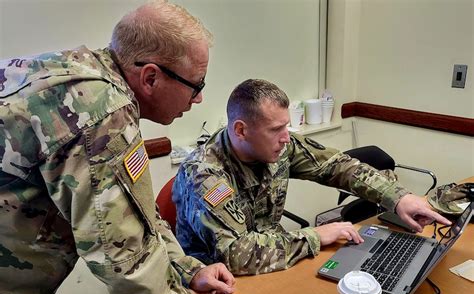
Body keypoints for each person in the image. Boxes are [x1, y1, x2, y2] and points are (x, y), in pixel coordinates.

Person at [0, 1, 236, 294]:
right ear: (151, 76)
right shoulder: (102, 113)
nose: (199, 97)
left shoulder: (74, 72)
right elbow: (120, 254)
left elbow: (136, 213)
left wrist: (187, 269)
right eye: (196, 84)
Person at [173, 79, 451, 275]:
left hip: (275, 260)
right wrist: (316, 235)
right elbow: (236, 255)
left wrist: (398, 198)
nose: (286, 138)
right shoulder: (205, 174)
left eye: (287, 126)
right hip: (220, 285)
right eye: (275, 129)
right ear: (241, 130)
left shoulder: (282, 146)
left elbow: (336, 166)